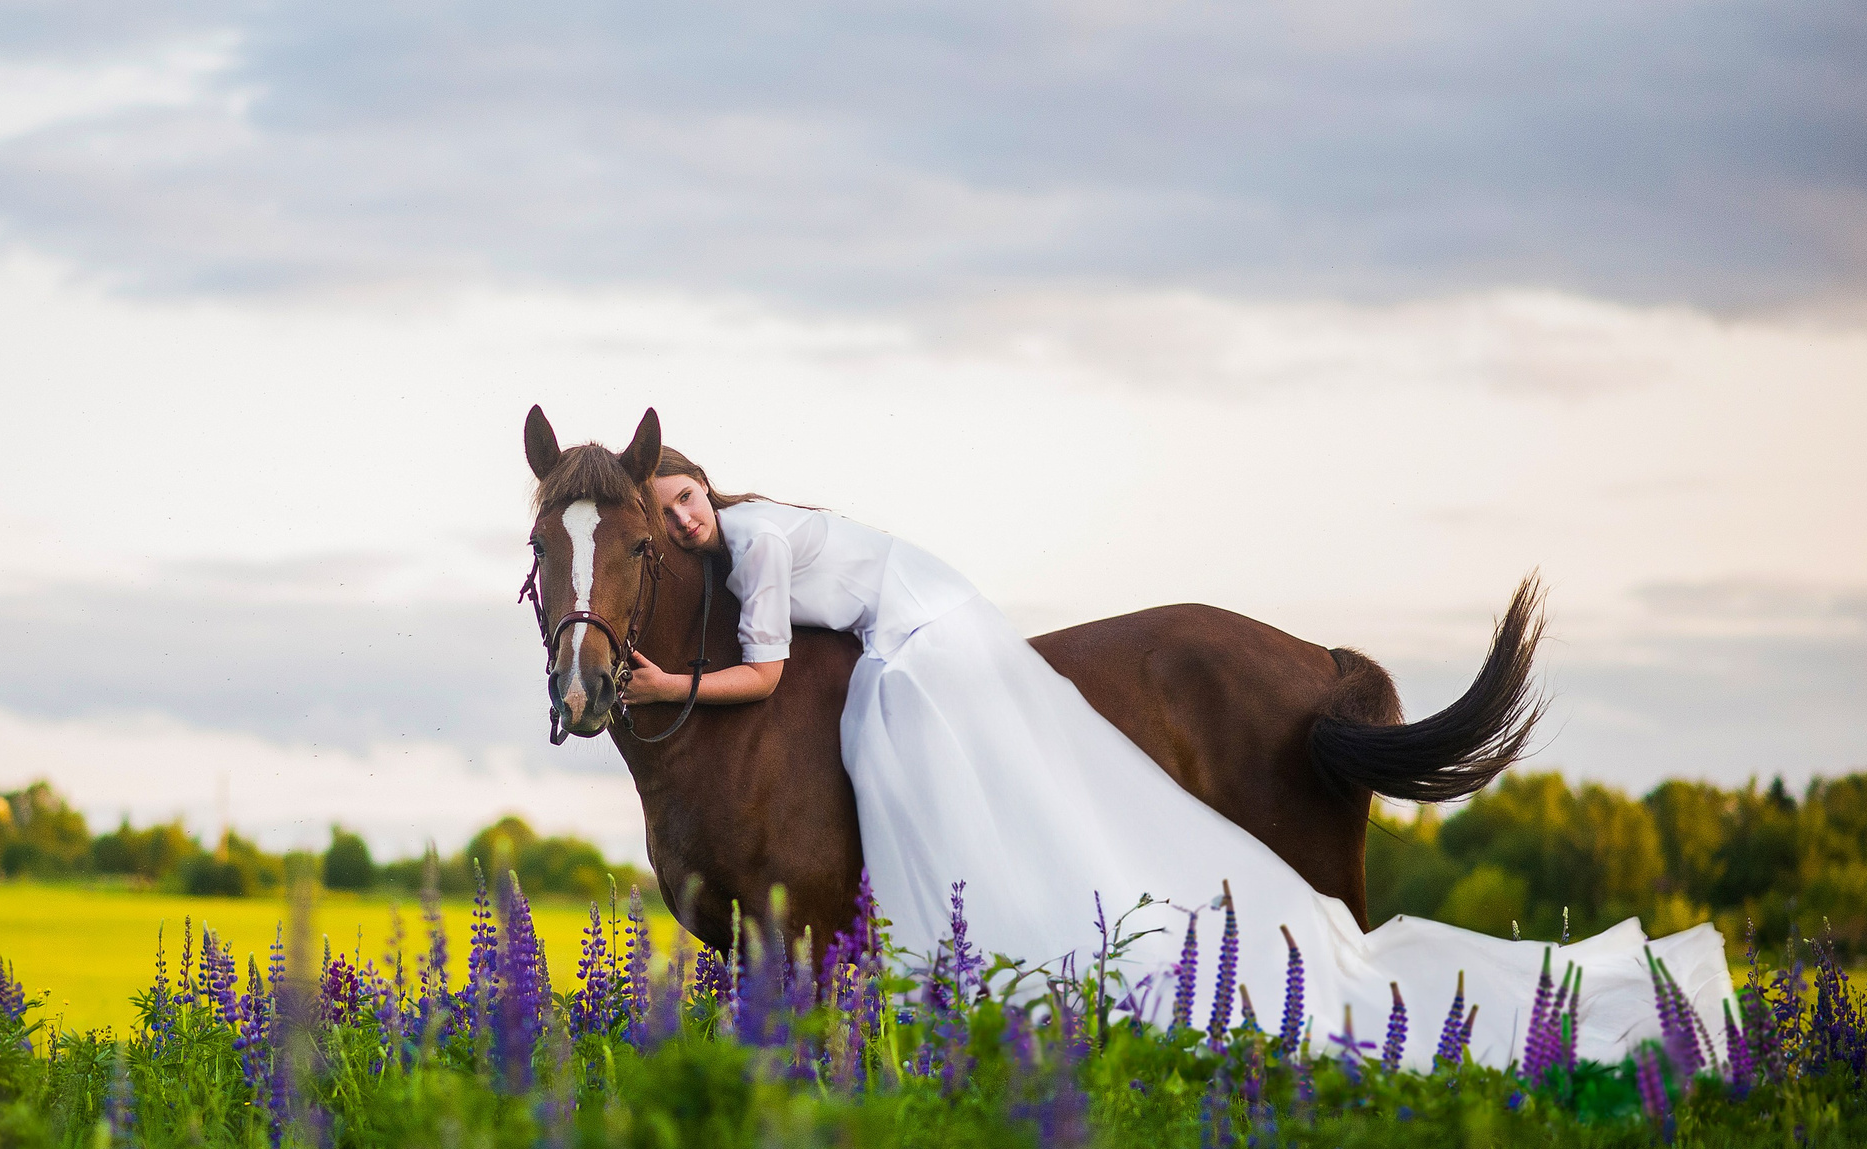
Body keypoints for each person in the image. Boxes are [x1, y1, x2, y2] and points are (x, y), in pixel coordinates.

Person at [617, 448, 1733, 1069]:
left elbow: (765, 674)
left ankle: (940, 961)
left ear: (707, 490)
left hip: (924, 634)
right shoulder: (740, 540)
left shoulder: (753, 539)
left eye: (685, 497)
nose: (683, 519)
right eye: (668, 516)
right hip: (916, 616)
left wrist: (665, 685)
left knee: (890, 729)